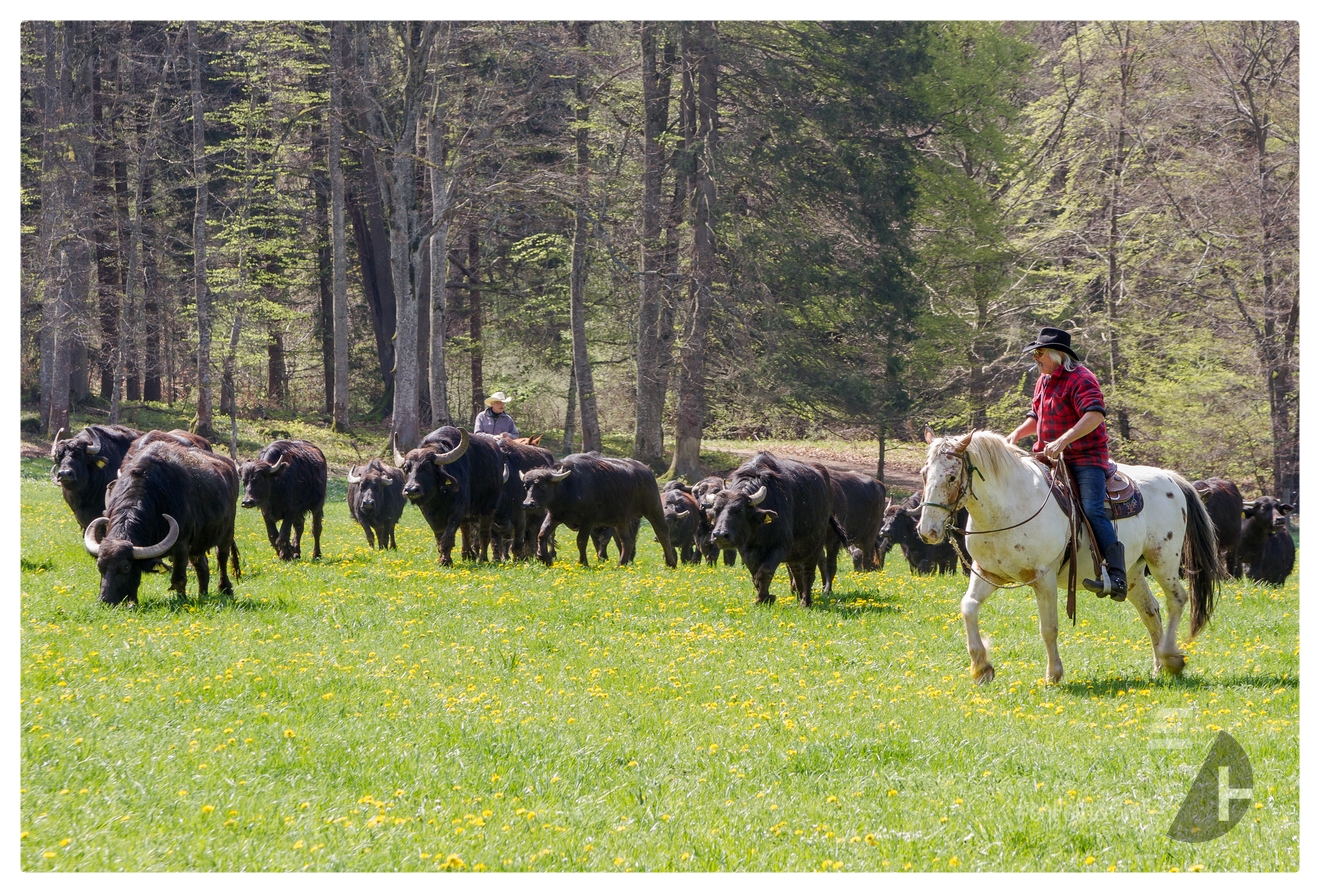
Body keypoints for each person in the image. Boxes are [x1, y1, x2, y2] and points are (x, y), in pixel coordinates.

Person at [1008, 327, 1126, 600]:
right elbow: (1035, 417)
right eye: (1034, 353)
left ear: (1056, 355)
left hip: (1085, 458)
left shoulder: (1082, 379)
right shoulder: (1044, 380)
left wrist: (1063, 440)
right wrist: (1017, 433)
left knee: (1092, 508)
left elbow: (1094, 415)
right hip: (1046, 457)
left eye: (1039, 353)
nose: (1035, 359)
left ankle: (1117, 574)